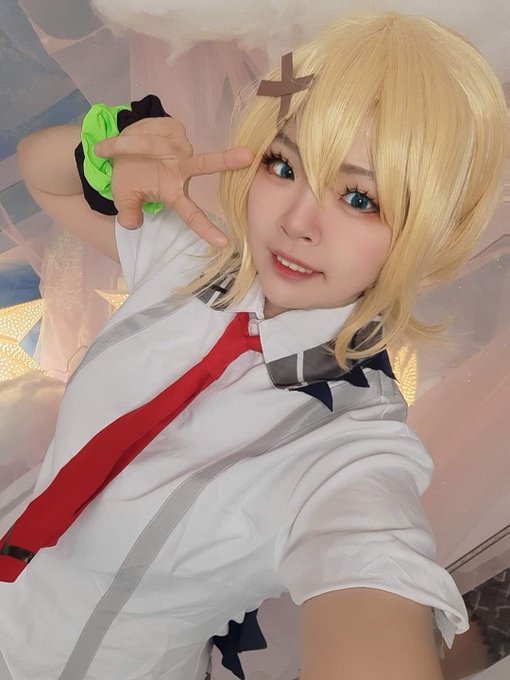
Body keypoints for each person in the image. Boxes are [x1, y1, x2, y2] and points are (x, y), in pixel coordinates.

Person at [1, 10, 508, 680]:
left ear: (432, 230)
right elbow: (42, 172)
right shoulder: (191, 255)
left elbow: (369, 570)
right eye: (283, 163)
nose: (296, 221)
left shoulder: (352, 444)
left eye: (359, 199)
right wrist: (109, 151)